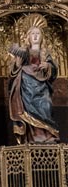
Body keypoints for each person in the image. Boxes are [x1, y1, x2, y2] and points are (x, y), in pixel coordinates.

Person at [9, 14, 59, 144]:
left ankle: (48, 137)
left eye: (38, 34)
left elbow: (54, 71)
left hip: (42, 88)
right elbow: (13, 72)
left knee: (46, 106)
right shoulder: (24, 51)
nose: (35, 36)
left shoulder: (45, 53)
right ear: (28, 37)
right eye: (33, 34)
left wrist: (47, 66)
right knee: (28, 111)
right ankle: (31, 139)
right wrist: (18, 64)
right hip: (26, 87)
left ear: (41, 37)